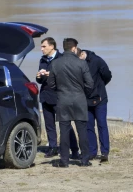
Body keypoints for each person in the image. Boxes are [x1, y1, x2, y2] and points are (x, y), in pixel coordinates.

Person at [47, 38, 94, 167]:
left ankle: (64, 160)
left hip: (63, 100)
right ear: (74, 48)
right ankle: (84, 160)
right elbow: (90, 83)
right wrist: (82, 92)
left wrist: (60, 90)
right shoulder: (81, 63)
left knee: (64, 131)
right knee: (82, 130)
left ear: (64, 48)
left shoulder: (56, 64)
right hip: (79, 99)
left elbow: (50, 84)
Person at [36, 37, 80, 159]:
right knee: (49, 125)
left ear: (52, 46)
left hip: (59, 97)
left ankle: (74, 149)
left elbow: (67, 77)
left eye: (44, 46)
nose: (42, 49)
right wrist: (39, 76)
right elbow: (40, 80)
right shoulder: (43, 60)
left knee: (65, 124)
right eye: (41, 46)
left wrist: (52, 75)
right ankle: (53, 148)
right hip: (45, 96)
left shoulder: (61, 58)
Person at [78, 49, 112, 163]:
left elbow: (107, 75)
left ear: (82, 54)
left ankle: (104, 152)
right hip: (86, 100)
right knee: (89, 126)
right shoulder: (78, 64)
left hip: (100, 98)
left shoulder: (97, 61)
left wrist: (100, 87)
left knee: (102, 124)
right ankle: (92, 151)